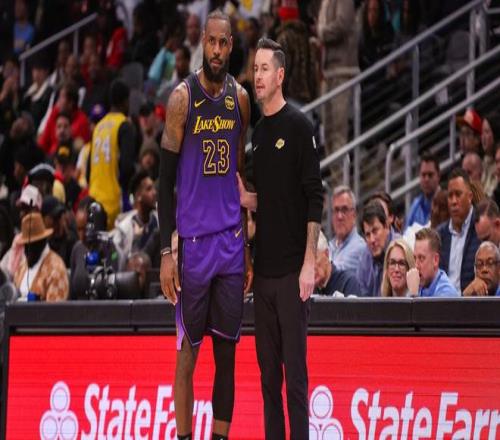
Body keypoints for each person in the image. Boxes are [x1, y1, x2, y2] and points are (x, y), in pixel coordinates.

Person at [158, 10, 252, 440]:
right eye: (210, 42)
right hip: (194, 245)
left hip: (231, 242)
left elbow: (240, 175)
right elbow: (164, 183)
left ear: (231, 46)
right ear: (203, 44)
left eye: (222, 43)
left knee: (227, 354)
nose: (216, 50)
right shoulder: (183, 99)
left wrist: (247, 245)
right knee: (187, 356)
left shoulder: (241, 99)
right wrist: (166, 252)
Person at [238, 37, 323, 439]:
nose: (257, 76)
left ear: (281, 75)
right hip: (264, 274)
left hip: (292, 273)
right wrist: (247, 200)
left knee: (296, 382)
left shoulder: (300, 126)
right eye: (255, 69)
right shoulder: (258, 133)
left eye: (264, 69)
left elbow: (314, 196)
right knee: (268, 380)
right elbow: (273, 199)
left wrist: (309, 263)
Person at [88, 79, 136, 230]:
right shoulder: (124, 125)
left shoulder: (98, 127)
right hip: (114, 204)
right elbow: (127, 167)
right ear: (125, 101)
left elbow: (88, 170)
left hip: (93, 201)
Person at [437, 168, 481, 293]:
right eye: (450, 196)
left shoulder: (480, 228)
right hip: (443, 301)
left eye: (458, 194)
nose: (453, 201)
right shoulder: (439, 234)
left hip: (474, 301)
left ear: (470, 196)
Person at [13, 212, 69, 301]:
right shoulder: (22, 265)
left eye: (32, 245)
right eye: (25, 245)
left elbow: (55, 307)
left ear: (41, 242)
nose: (27, 250)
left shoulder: (56, 268)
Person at [328, 185, 365, 272]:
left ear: (354, 215)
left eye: (344, 210)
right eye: (336, 210)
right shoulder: (329, 246)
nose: (339, 216)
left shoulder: (360, 247)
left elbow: (332, 273)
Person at [414, 227, 459, 297]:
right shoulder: (419, 285)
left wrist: (413, 294)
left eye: (421, 258)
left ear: (435, 260)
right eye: (415, 258)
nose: (416, 266)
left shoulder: (447, 293)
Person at [316, 230, 360, 296]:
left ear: (326, 254)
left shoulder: (348, 282)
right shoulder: (306, 289)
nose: (309, 268)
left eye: (314, 258)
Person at [405, 152, 440, 230]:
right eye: (423, 175)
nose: (426, 179)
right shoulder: (415, 205)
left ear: (438, 176)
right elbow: (406, 234)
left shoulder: (446, 203)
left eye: (430, 175)